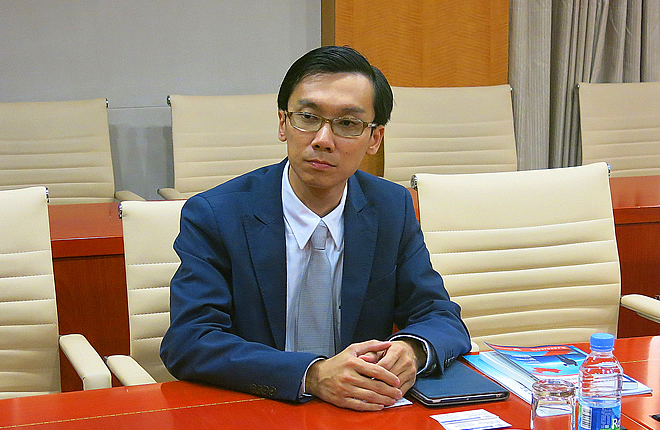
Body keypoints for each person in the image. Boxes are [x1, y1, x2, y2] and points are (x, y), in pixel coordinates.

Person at [160, 45, 471, 411]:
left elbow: (439, 316)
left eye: (348, 124)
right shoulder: (216, 214)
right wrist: (312, 375)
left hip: (362, 409)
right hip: (261, 404)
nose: (323, 139)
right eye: (308, 117)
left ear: (374, 139)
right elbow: (190, 341)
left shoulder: (391, 207)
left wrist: (412, 349)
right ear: (283, 123)